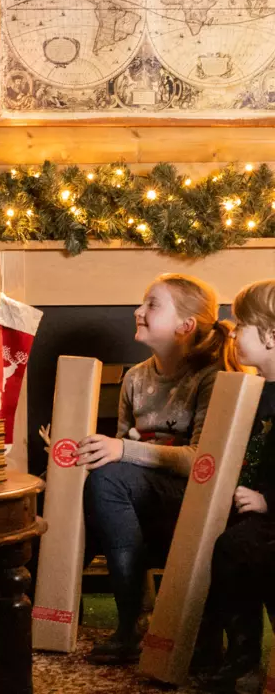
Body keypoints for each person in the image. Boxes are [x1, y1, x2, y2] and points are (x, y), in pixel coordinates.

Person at [79, 273, 241, 664]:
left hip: (191, 499)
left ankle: (129, 623)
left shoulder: (211, 377)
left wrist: (123, 449)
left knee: (108, 478)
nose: (138, 311)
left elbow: (201, 459)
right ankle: (43, 605)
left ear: (185, 326)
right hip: (136, 498)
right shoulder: (135, 378)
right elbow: (120, 451)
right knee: (79, 480)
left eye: (152, 305)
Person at [197, 280, 275, 692]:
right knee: (222, 539)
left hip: (269, 512)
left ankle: (245, 658)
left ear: (272, 334)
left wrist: (267, 502)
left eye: (242, 323)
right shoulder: (251, 391)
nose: (231, 329)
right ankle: (220, 648)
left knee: (240, 547)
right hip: (244, 507)